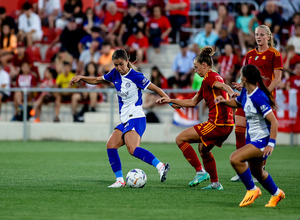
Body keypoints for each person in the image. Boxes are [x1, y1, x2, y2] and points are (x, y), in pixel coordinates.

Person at [69, 49, 171, 188]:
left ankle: (161, 166)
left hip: (136, 117)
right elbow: (97, 80)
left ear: (127, 61)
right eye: (116, 65)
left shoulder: (136, 76)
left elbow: (155, 88)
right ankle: (120, 180)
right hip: (126, 120)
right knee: (111, 145)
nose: (118, 68)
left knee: (133, 149)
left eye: (121, 64)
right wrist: (82, 77)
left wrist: (169, 100)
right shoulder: (114, 73)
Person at [157, 46, 236, 190]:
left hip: (218, 124)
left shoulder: (210, 78)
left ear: (204, 65)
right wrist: (170, 100)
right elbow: (192, 102)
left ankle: (200, 171)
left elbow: (223, 86)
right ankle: (215, 184)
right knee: (203, 150)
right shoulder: (210, 78)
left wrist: (231, 92)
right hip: (227, 125)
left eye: (196, 67)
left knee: (180, 139)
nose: (195, 70)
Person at [215, 64, 285, 207]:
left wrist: (271, 143)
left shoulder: (259, 97)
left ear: (245, 78)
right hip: (252, 139)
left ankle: (252, 189)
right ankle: (277, 193)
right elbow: (237, 102)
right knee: (257, 172)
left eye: (241, 74)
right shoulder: (246, 93)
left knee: (235, 158)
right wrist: (224, 102)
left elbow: (274, 121)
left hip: (262, 140)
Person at [231, 25, 283, 182]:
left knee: (260, 133)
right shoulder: (250, 55)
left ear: (268, 37)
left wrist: (266, 93)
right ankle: (243, 166)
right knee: (239, 130)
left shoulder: (275, 54)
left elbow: (277, 78)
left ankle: (259, 168)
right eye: (256, 34)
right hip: (247, 96)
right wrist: (242, 87)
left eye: (262, 34)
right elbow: (245, 75)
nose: (259, 37)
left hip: (262, 99)